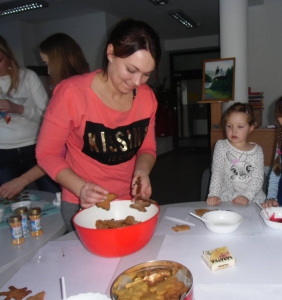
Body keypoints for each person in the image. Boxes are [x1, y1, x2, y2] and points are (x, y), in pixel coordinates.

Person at [36, 18, 162, 232]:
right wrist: (81, 188)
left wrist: (142, 171)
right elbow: (46, 154)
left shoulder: (147, 98)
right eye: (131, 70)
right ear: (111, 52)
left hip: (128, 201)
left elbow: (147, 148)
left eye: (146, 74)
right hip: (82, 201)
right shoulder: (72, 94)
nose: (138, 82)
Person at [0, 33, 89, 199]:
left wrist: (21, 180)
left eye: (48, 64)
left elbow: (56, 152)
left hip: (79, 174)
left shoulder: (66, 92)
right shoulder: (84, 85)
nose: (48, 70)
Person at [0, 35, 59, 195]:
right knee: (10, 200)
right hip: (3, 152)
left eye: (0, 60)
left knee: (53, 194)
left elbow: (48, 116)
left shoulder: (27, 76)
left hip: (34, 147)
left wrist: (19, 109)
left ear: (8, 55)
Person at [206, 102, 266, 206]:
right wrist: (213, 194)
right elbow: (217, 173)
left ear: (251, 128)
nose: (233, 131)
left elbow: (258, 178)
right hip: (226, 199)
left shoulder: (258, 150)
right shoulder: (221, 146)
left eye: (240, 126)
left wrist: (246, 196)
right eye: (229, 126)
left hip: (252, 200)